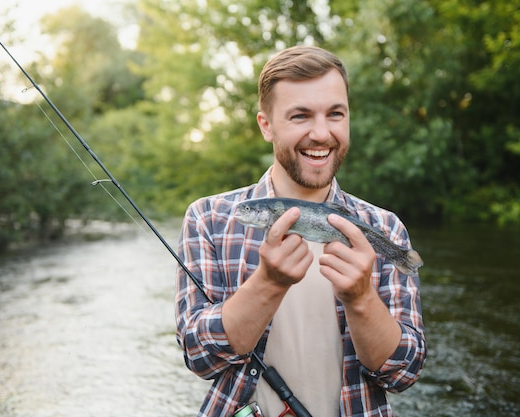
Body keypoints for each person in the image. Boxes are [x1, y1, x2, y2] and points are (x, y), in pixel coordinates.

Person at [175, 45, 426, 417]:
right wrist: (268, 282)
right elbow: (200, 358)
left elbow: (404, 373)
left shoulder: (384, 227)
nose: (321, 133)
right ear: (266, 125)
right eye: (300, 116)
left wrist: (360, 298)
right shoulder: (208, 218)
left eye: (335, 114)